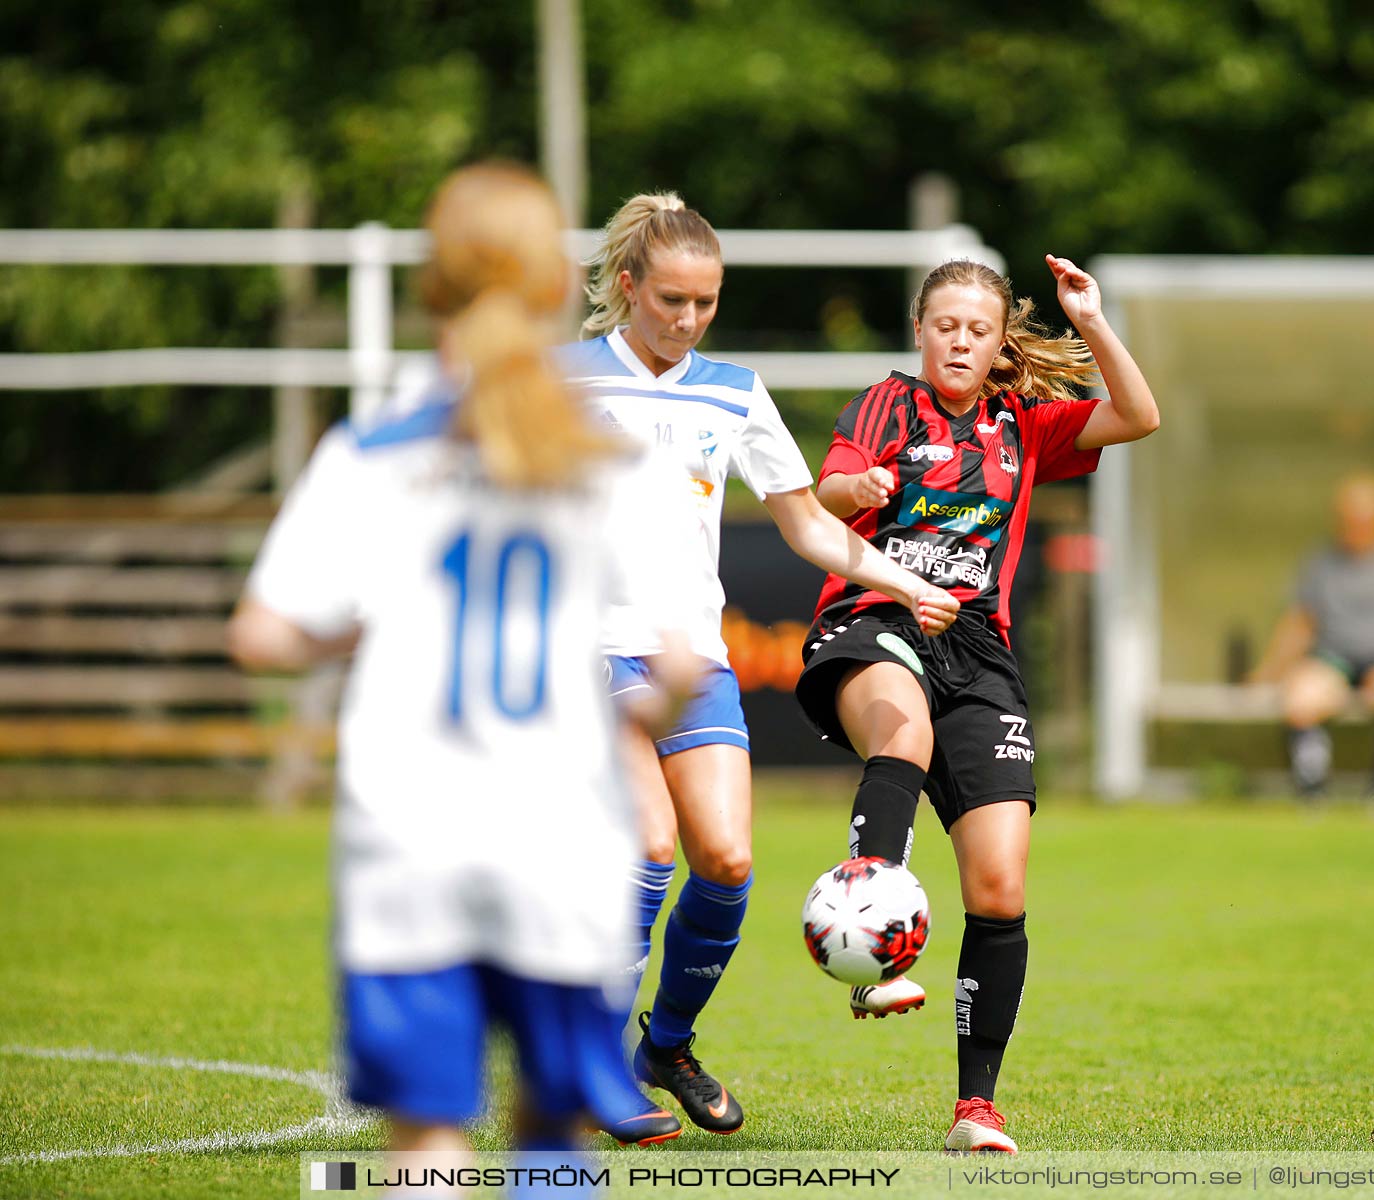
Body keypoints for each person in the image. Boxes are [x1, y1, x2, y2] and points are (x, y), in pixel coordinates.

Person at [228, 162, 684, 1178]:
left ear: (433, 285)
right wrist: (651, 700)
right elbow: (683, 657)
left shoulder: (377, 447)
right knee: (551, 1138)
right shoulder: (606, 458)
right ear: (557, 288)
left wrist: (365, 629)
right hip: (560, 832)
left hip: (408, 834)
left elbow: (262, 634)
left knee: (427, 1142)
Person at [561, 192, 960, 1136]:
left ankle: (667, 1045)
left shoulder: (733, 390)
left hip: (692, 656)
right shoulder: (559, 380)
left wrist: (902, 580)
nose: (688, 319)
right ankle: (591, 1070)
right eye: (669, 301)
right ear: (627, 287)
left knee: (729, 862)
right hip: (590, 651)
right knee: (649, 846)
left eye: (705, 303)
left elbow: (809, 523)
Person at [793, 256, 1161, 1154]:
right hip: (873, 616)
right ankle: (867, 926)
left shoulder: (1020, 424)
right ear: (920, 331)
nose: (959, 340)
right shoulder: (885, 405)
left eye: (978, 329)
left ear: (999, 343)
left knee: (999, 886)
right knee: (903, 730)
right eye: (945, 325)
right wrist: (862, 489)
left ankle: (975, 1109)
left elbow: (1140, 416)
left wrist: (1092, 320)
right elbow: (824, 495)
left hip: (978, 651)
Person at [1247, 471, 1374, 800]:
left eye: (1366, 518)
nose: (1358, 526)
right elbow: (1300, 624)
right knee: (1301, 697)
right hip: (1333, 661)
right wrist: (1269, 673)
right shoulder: (1320, 563)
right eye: (1350, 518)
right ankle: (1312, 786)